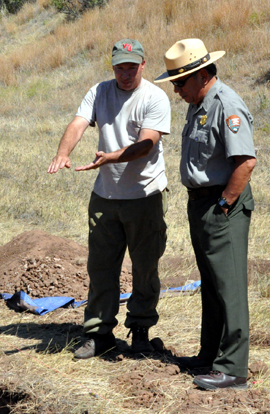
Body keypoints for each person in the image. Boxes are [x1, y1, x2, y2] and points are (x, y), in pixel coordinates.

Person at [48, 39, 171, 359]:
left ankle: (141, 331)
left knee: (145, 269)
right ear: (112, 66)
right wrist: (63, 153)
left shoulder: (155, 97)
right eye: (120, 67)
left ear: (143, 64)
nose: (126, 73)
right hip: (104, 196)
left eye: (132, 66)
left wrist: (110, 158)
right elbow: (78, 123)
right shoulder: (99, 91)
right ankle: (99, 334)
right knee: (101, 269)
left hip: (144, 195)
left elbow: (146, 145)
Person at [154, 38, 257, 390]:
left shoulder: (226, 104)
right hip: (203, 203)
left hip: (222, 202)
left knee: (229, 287)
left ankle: (233, 368)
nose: (176, 90)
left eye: (180, 83)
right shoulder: (199, 103)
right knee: (211, 285)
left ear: (201, 75)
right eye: (174, 84)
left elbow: (245, 162)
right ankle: (209, 356)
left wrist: (224, 205)